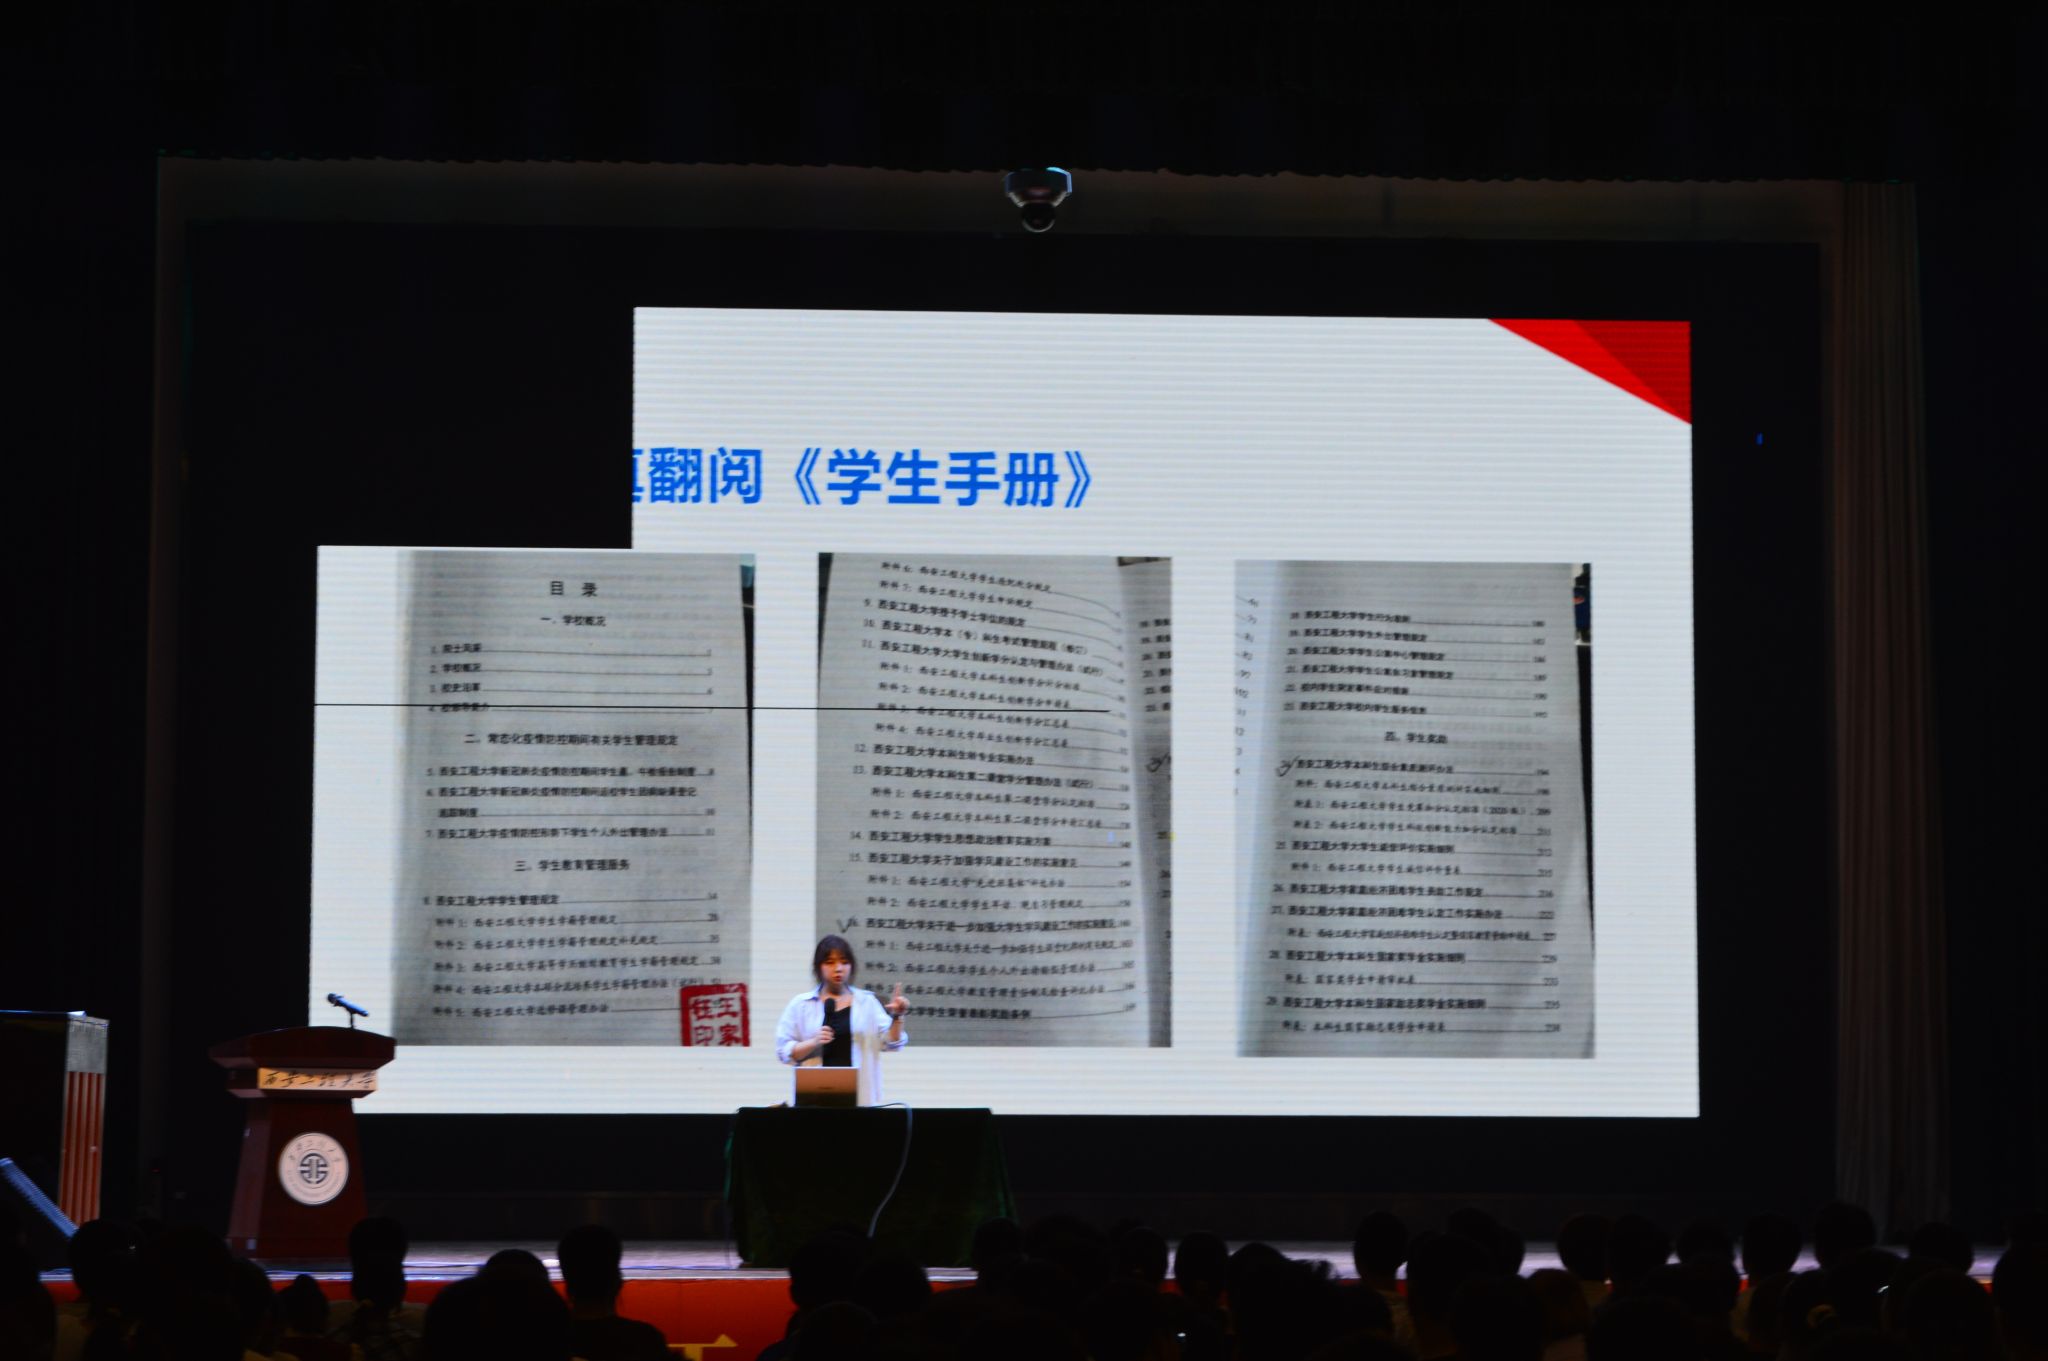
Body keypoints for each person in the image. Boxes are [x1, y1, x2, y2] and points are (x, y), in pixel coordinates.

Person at [774, 935, 908, 1106]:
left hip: (859, 1099)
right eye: (830, 962)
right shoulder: (801, 1004)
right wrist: (814, 1042)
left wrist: (897, 1016)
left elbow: (892, 1043)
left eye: (844, 962)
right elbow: (784, 1052)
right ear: (818, 967)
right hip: (812, 1098)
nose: (838, 968)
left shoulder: (866, 1002)